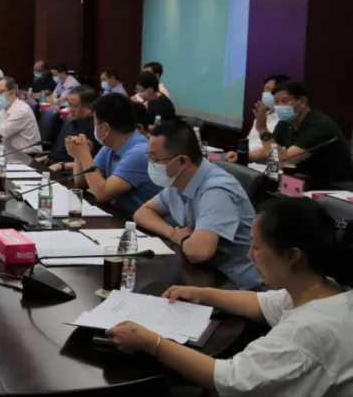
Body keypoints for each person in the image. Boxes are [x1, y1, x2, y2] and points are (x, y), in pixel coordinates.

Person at [108, 197, 353, 397]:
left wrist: (152, 342)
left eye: (257, 247)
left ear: (291, 255)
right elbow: (262, 303)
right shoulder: (327, 290)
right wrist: (203, 294)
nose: (249, 256)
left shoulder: (312, 328)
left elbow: (231, 378)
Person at [133, 120, 262, 290]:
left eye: (155, 159)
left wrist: (183, 238)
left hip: (239, 286)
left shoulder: (216, 190)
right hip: (204, 274)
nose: (151, 164)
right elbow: (143, 213)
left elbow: (199, 252)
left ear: (182, 161)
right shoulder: (178, 181)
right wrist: (173, 234)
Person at [66, 92, 163, 215]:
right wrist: (78, 155)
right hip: (117, 214)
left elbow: (102, 194)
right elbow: (82, 182)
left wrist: (84, 154)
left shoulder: (140, 153)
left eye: (95, 123)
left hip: (137, 223)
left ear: (105, 128)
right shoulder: (110, 146)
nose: (93, 127)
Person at [248, 80, 353, 185]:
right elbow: (270, 152)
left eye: (285, 101)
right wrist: (243, 156)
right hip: (304, 181)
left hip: (336, 187)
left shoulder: (320, 126)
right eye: (276, 102)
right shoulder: (285, 122)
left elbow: (283, 161)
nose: (279, 106)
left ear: (302, 102)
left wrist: (263, 130)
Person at [40, 85, 98, 171]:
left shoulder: (94, 129)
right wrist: (44, 158)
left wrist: (61, 166)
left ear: (89, 108)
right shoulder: (71, 121)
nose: (70, 109)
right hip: (50, 165)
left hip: (64, 172)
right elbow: (59, 152)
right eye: (69, 104)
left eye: (75, 106)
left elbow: (91, 164)